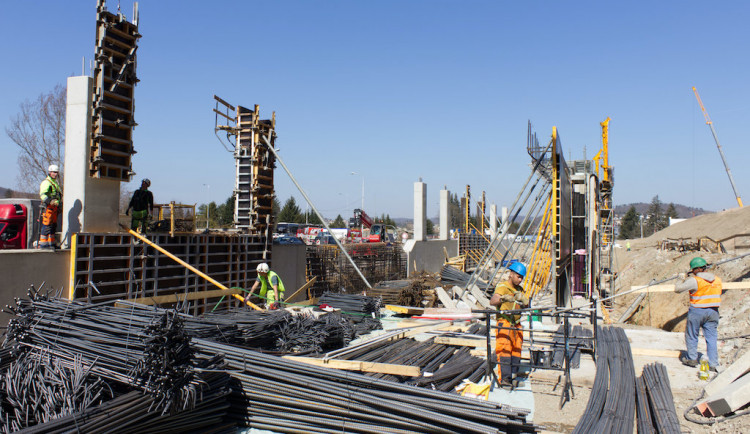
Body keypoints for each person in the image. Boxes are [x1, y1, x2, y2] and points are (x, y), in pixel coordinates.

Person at [675, 257, 722, 372]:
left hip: (697, 311)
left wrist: (680, 279)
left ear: (696, 269)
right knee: (711, 337)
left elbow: (678, 289)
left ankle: (692, 359)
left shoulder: (695, 280)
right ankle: (713, 363)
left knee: (692, 335)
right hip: (713, 311)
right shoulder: (717, 279)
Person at [490, 261, 529, 386]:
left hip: (516, 323)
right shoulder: (503, 287)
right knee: (505, 349)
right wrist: (503, 298)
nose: (520, 279)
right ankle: (505, 379)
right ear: (511, 274)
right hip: (505, 322)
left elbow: (526, 306)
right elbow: (493, 301)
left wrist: (525, 301)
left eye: (522, 277)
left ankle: (514, 376)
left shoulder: (520, 290)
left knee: (516, 350)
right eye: (518, 276)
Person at [39, 164, 63, 249]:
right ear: (49, 172)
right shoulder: (46, 183)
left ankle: (51, 244)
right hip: (49, 208)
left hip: (54, 209)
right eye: (54, 172)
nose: (55, 174)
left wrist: (59, 205)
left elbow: (58, 195)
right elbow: (43, 195)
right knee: (47, 226)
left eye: (56, 172)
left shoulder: (55, 183)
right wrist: (51, 201)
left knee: (53, 226)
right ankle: (44, 245)